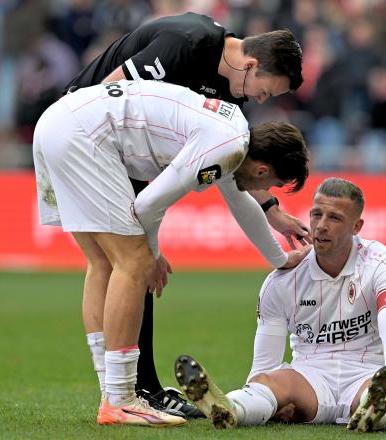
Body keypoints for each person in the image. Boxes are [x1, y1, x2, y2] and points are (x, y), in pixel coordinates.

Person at [63, 11, 308, 415]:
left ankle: (124, 389)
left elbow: (233, 180)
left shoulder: (230, 94)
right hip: (93, 139)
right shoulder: (187, 42)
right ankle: (128, 392)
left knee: (112, 263)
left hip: (110, 150)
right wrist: (151, 246)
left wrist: (271, 210)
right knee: (131, 262)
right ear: (250, 65)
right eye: (264, 92)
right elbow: (107, 95)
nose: (255, 101)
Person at [175, 177, 386, 432]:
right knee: (268, 384)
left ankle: (375, 407)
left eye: (334, 218)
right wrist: (263, 395)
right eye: (316, 214)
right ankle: (232, 408)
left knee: (382, 397)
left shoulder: (382, 264)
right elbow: (264, 364)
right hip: (311, 377)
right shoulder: (282, 280)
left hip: (368, 372)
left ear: (357, 226)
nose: (321, 226)